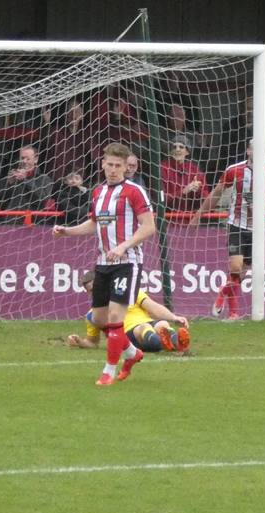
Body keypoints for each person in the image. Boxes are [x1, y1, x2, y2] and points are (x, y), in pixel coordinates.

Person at [52, 142, 156, 386]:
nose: (113, 170)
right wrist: (66, 231)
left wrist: (122, 247)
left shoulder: (134, 191)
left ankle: (108, 371)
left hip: (127, 262)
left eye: (118, 166)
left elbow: (149, 227)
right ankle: (131, 353)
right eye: (109, 164)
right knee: (98, 319)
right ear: (102, 164)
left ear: (125, 167)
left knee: (115, 315)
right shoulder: (98, 192)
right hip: (102, 263)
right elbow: (93, 224)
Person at [190, 141, 265, 320]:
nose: (257, 152)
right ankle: (223, 301)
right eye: (254, 148)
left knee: (243, 271)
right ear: (248, 150)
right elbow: (216, 194)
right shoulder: (234, 170)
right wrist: (199, 214)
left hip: (258, 228)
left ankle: (231, 308)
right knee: (235, 267)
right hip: (236, 223)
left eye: (262, 150)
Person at [67, 270, 191, 356]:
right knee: (143, 328)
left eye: (95, 288)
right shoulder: (93, 315)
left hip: (149, 323)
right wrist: (80, 342)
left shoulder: (130, 294)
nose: (93, 293)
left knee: (162, 324)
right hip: (128, 335)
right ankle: (172, 344)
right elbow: (93, 342)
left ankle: (178, 344)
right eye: (90, 291)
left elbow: (153, 307)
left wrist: (174, 318)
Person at [0, 144, 52, 213]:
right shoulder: (11, 177)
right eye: (22, 158)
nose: (24, 161)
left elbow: (43, 198)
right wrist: (8, 184)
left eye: (28, 159)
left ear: (36, 159)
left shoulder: (44, 178)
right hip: (11, 219)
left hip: (34, 219)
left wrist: (25, 180)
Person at [160, 135, 210, 215]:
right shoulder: (162, 168)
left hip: (189, 217)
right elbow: (161, 199)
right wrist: (183, 192)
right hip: (167, 217)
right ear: (170, 151)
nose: (177, 150)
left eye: (181, 147)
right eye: (174, 147)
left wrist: (197, 191)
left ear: (187, 152)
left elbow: (205, 197)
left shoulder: (194, 170)